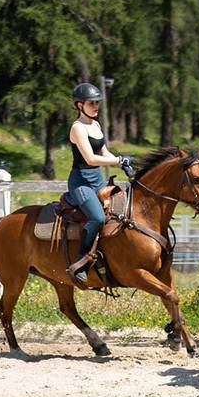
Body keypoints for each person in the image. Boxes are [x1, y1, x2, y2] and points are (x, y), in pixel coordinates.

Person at [66, 82, 132, 283]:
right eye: (91, 103)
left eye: (97, 103)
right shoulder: (77, 128)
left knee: (120, 212)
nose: (96, 106)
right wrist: (118, 160)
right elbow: (91, 159)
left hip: (97, 179)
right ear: (79, 105)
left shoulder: (95, 125)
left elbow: (103, 152)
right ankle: (81, 262)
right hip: (81, 183)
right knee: (97, 217)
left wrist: (121, 163)